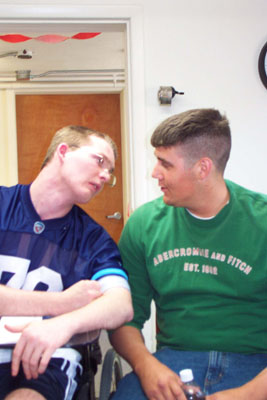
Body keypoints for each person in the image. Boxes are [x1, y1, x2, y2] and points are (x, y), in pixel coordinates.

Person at [109, 108, 267, 399]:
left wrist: (246, 395)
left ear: (203, 168)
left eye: (164, 163)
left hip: (258, 366)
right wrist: (146, 366)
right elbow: (125, 318)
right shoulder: (143, 225)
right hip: (172, 364)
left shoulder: (262, 221)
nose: (154, 172)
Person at [0, 125, 133, 400]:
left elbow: (120, 305)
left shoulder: (93, 239)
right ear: (63, 152)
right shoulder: (3, 205)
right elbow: (70, 302)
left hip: (48, 354)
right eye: (99, 161)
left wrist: (61, 326)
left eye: (110, 170)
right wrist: (62, 303)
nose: (106, 176)